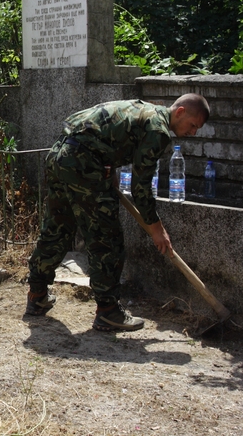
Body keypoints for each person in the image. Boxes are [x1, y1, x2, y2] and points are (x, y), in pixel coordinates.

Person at [25, 94, 210, 332]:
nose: (193, 133)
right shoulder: (159, 130)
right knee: (106, 239)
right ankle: (108, 312)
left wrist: (108, 167)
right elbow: (141, 187)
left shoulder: (142, 109)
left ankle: (37, 294)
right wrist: (156, 228)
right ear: (181, 111)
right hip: (84, 164)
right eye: (193, 125)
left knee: (57, 227)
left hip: (61, 155)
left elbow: (103, 132)